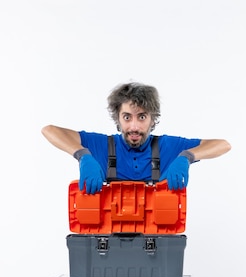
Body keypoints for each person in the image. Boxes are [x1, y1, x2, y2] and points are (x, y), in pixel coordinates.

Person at [42, 81, 231, 193]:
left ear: (152, 119)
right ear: (118, 118)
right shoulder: (102, 146)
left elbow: (223, 145)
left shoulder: (168, 147)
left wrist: (186, 157)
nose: (134, 126)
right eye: (127, 117)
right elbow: (49, 130)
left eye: (141, 117)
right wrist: (83, 155)